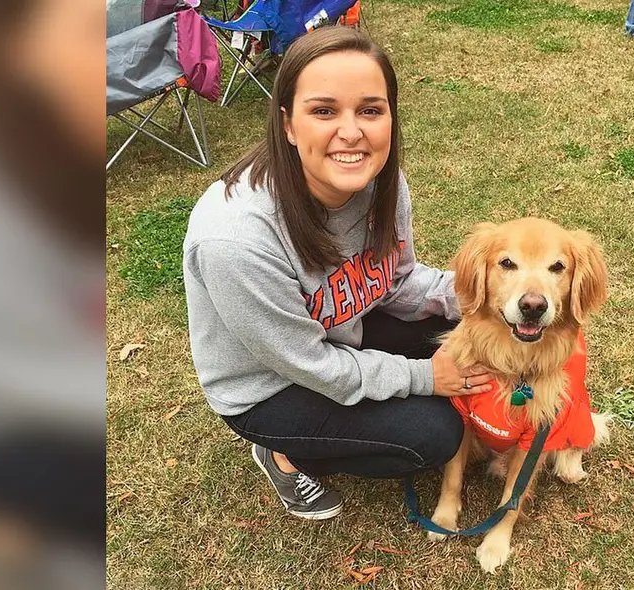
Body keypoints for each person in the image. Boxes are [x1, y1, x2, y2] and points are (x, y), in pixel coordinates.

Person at [183, 26, 495, 520]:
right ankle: (284, 453)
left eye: (370, 110)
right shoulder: (236, 238)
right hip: (274, 385)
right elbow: (308, 363)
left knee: (458, 331)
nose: (352, 133)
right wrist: (422, 377)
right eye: (324, 111)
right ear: (287, 123)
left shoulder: (379, 183)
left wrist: (488, 296)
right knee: (436, 434)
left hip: (342, 331)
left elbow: (395, 282)